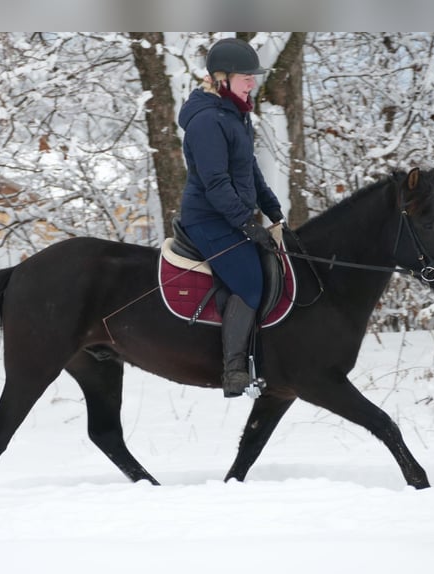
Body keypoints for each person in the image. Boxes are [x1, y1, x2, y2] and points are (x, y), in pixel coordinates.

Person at [177, 37, 286, 398]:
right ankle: (234, 371)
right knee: (250, 281)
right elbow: (216, 184)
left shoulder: (236, 115)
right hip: (208, 218)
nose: (252, 81)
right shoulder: (208, 120)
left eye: (253, 75)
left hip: (231, 216)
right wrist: (248, 224)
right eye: (245, 76)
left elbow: (248, 170)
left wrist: (274, 212)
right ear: (221, 78)